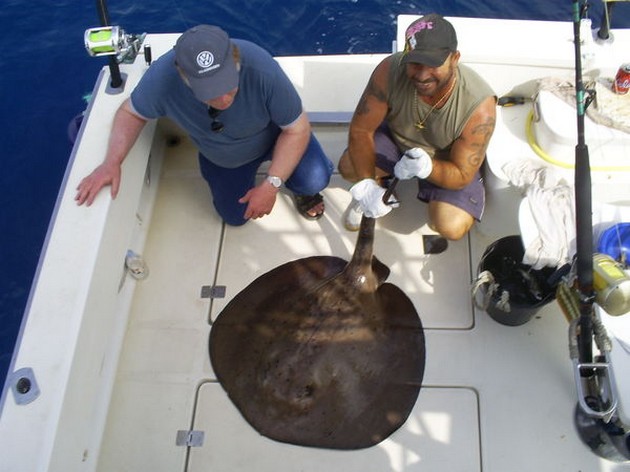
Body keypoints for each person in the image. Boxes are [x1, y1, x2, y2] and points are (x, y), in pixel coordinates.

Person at [75, 25, 334, 225]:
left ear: (236, 62)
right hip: (224, 157)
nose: (223, 98)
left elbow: (296, 128)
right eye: (209, 90)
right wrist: (112, 162)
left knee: (315, 178)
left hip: (275, 137)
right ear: (182, 75)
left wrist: (271, 185)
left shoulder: (262, 67)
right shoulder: (163, 78)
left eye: (227, 84)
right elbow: (131, 113)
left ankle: (301, 190)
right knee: (235, 217)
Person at [338, 13, 496, 241]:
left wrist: (427, 168)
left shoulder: (480, 108)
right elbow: (361, 130)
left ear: (455, 58)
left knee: (451, 226)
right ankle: (378, 188)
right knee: (349, 167)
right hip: (397, 139)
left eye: (433, 64)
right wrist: (367, 185)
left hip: (446, 159)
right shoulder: (389, 70)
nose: (422, 75)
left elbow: (462, 174)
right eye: (414, 62)